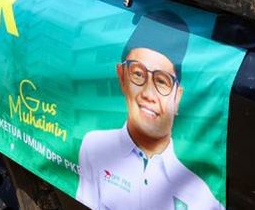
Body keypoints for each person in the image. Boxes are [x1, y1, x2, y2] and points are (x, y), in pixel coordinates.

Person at [76, 11, 222, 210]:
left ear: (177, 97)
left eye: (162, 81)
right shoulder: (94, 146)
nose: (148, 94)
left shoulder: (200, 196)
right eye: (138, 74)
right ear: (121, 77)